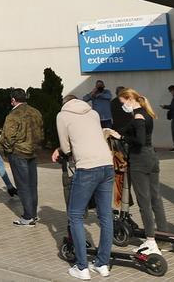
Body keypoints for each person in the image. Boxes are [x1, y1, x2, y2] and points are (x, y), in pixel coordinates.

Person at [54, 94, 115, 280]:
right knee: (105, 215)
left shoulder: (62, 115)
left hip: (87, 167)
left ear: (64, 103)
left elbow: (65, 147)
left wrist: (66, 152)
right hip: (107, 163)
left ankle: (82, 267)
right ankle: (102, 264)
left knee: (75, 215)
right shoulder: (93, 113)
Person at [118, 87, 168, 255]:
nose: (122, 106)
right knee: (156, 198)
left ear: (130, 99)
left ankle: (150, 240)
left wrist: (122, 137)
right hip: (152, 157)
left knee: (144, 201)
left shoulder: (138, 116)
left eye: (123, 102)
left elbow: (138, 140)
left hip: (140, 160)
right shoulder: (147, 113)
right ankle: (164, 238)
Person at [0, 88, 44, 226]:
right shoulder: (36, 112)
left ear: (13, 100)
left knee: (23, 185)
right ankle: (33, 214)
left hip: (18, 153)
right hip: (32, 152)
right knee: (32, 185)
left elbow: (8, 136)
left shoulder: (13, 115)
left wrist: (7, 151)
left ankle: (28, 216)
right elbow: (41, 133)